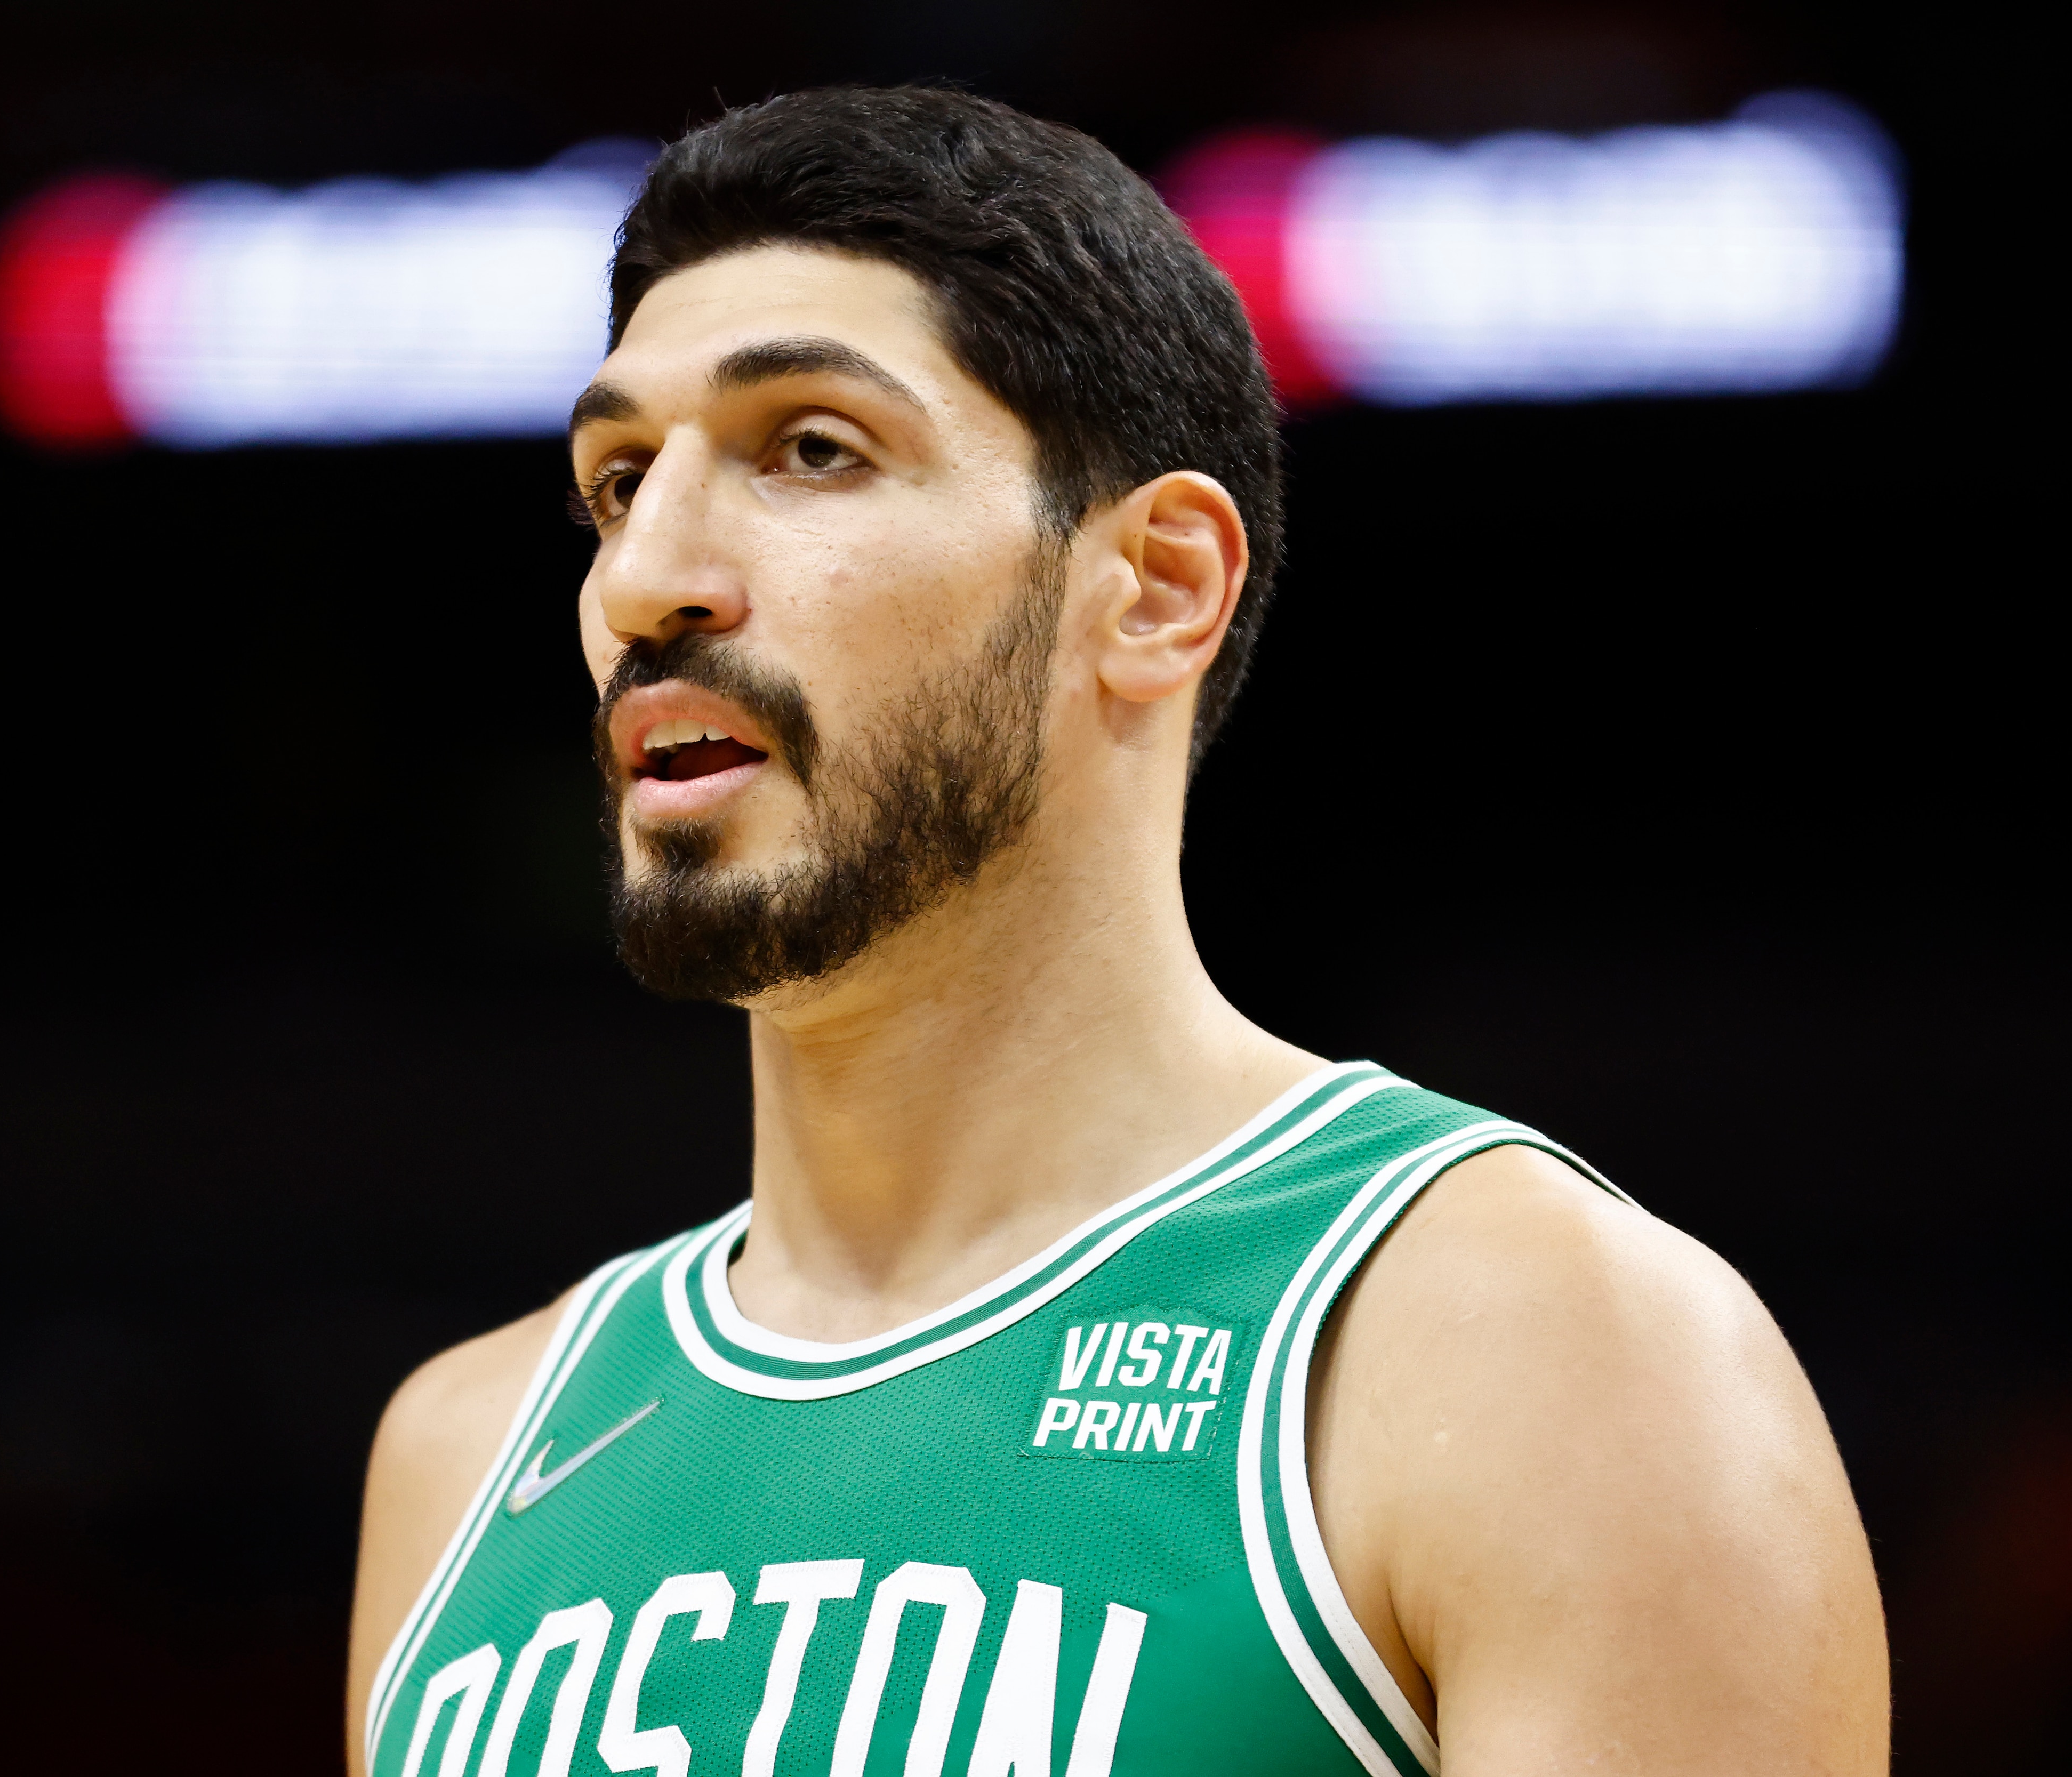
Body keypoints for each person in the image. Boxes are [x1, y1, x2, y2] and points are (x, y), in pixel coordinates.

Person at [346, 86, 1887, 1777]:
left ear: (1154, 587)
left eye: (811, 450)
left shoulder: (1539, 1350)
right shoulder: (469, 1448)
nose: (650, 578)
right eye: (620, 481)